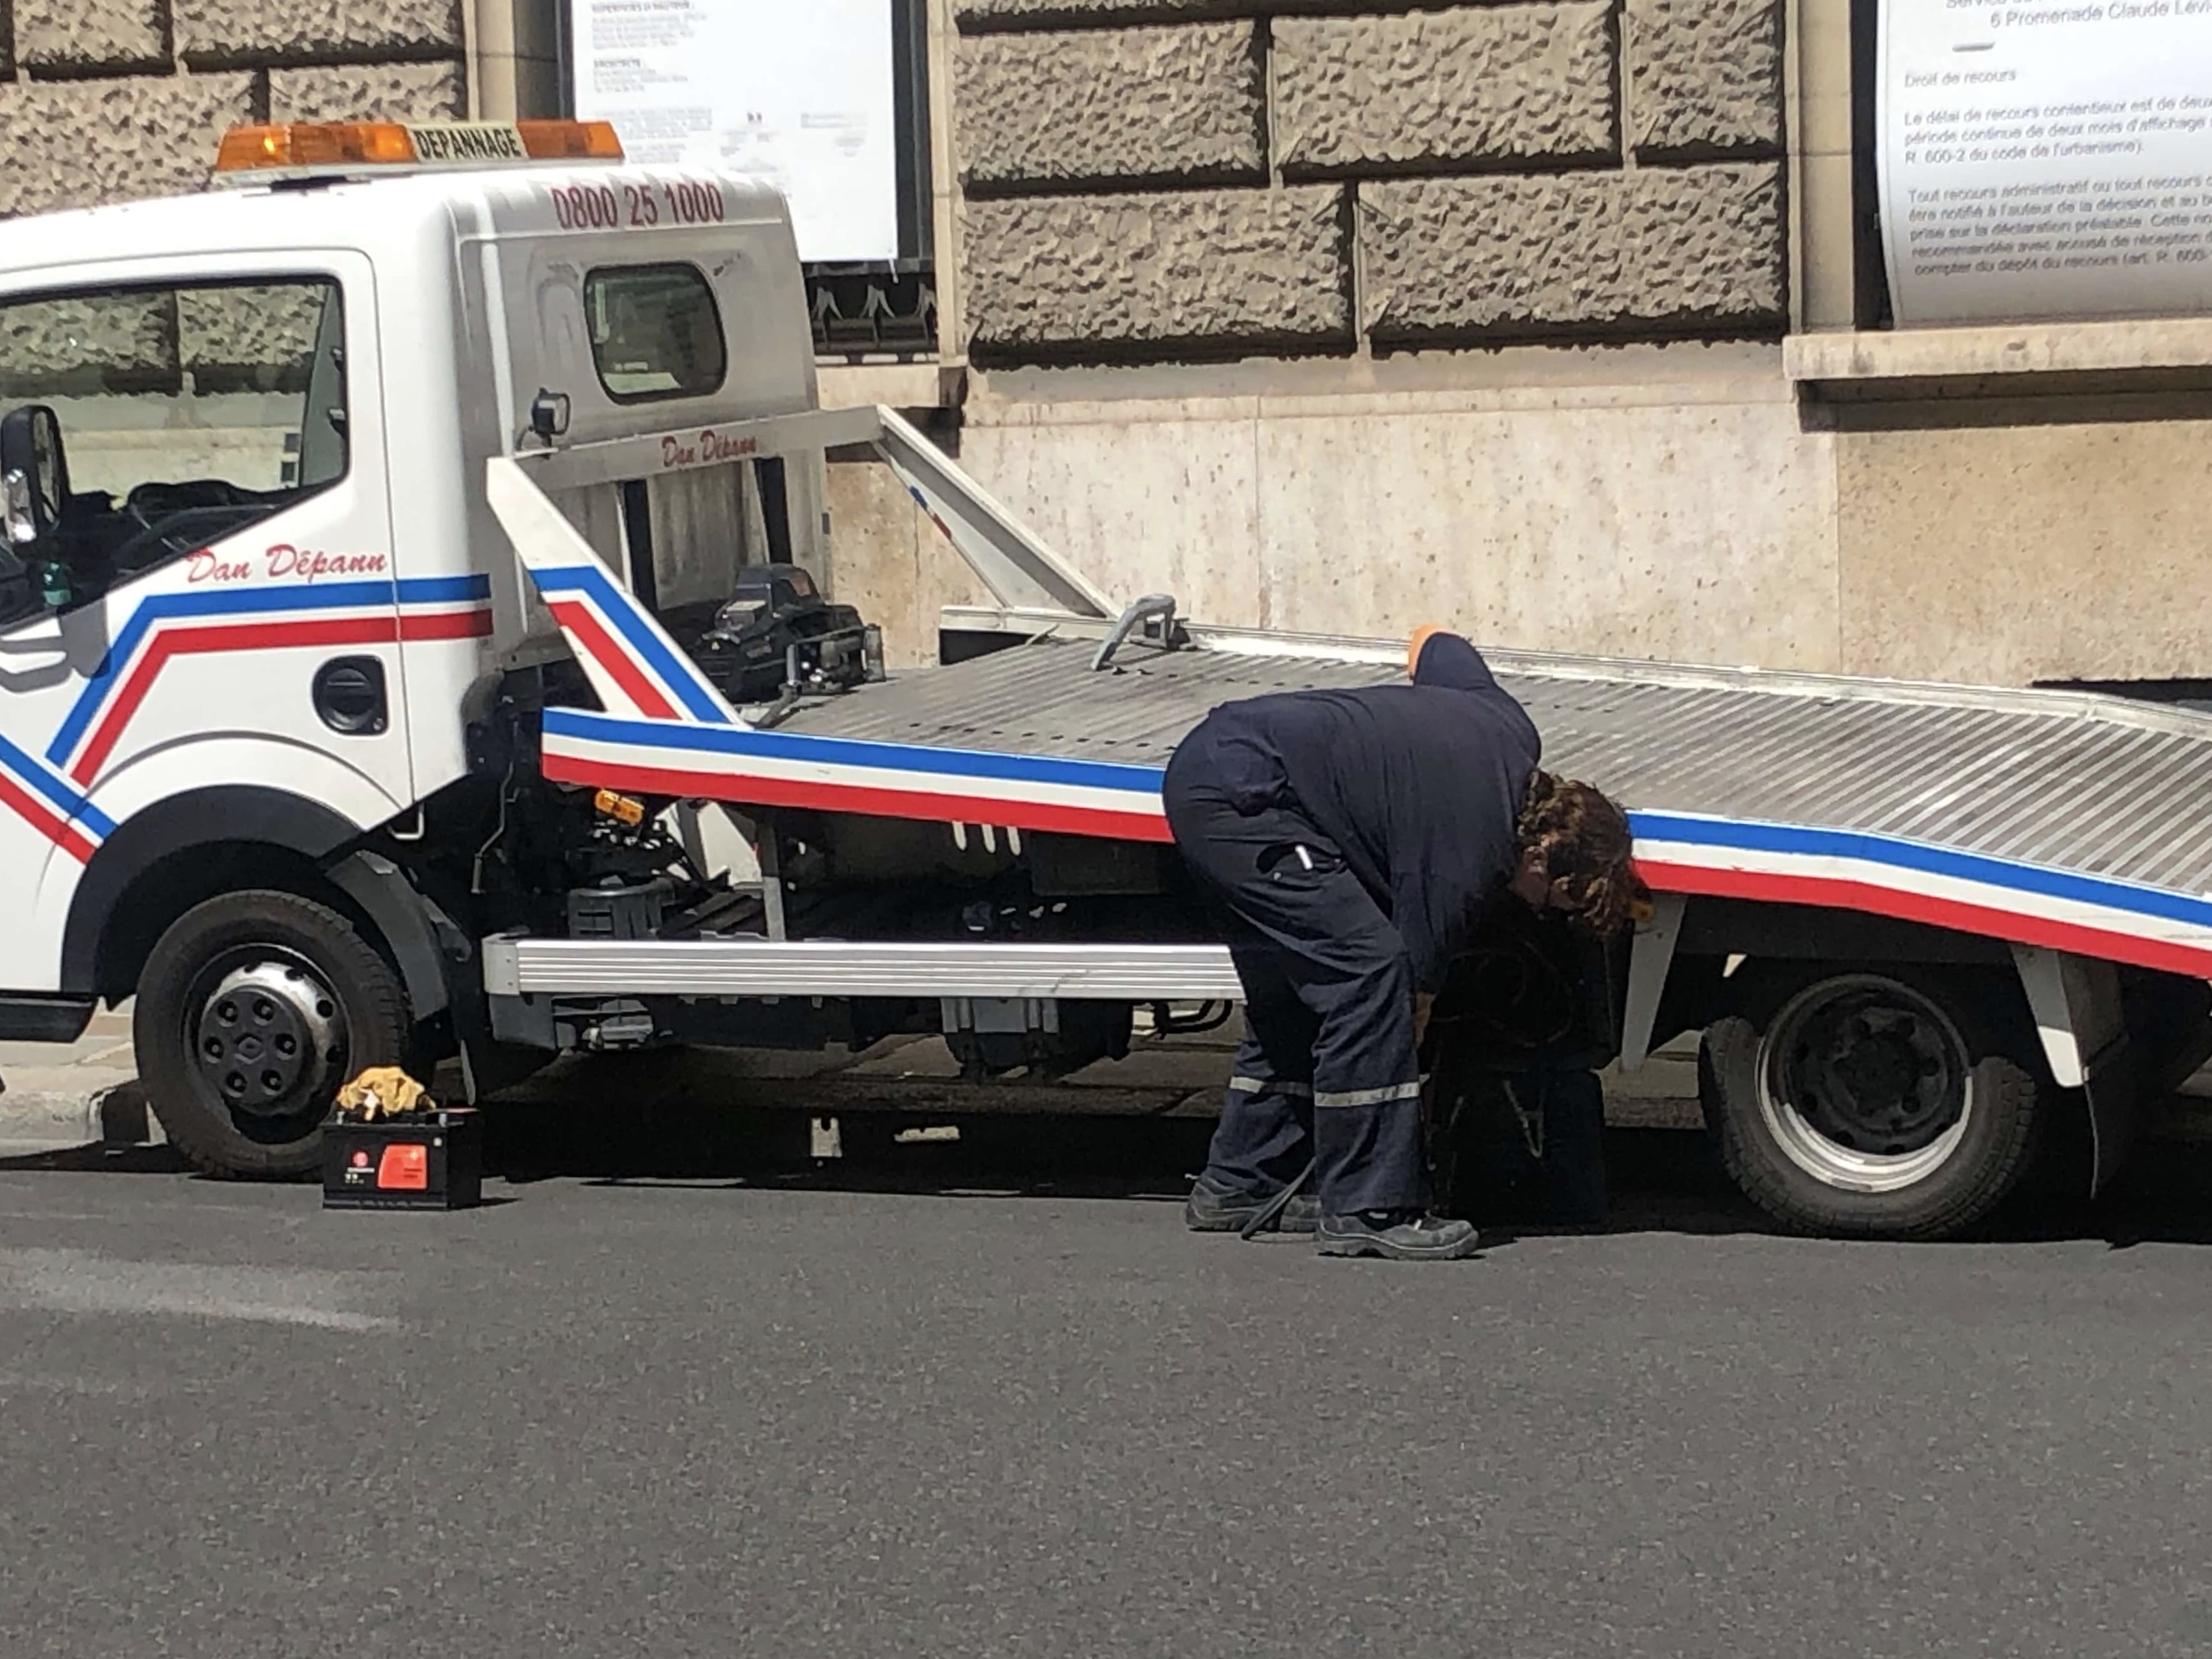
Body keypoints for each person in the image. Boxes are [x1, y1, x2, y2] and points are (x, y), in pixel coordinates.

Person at [1164, 625, 1639, 1261]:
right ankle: (1366, 1207)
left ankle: (1240, 1183)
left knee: (1294, 997)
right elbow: (1410, 997)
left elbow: (1435, 645)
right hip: (1249, 799)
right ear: (1543, 853)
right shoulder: (1467, 859)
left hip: (1223, 761)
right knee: (1370, 974)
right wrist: (1397, 1056)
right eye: (1559, 898)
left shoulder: (1509, 726)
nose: (1543, 911)